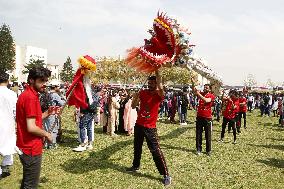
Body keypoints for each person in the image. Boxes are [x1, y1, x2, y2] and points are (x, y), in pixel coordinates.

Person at [127, 71, 171, 186]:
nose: (150, 84)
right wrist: (135, 98)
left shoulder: (158, 94)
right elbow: (133, 106)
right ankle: (135, 166)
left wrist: (157, 72)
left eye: (153, 83)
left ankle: (166, 174)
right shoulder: (142, 92)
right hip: (139, 125)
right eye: (149, 82)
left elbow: (161, 89)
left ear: (156, 84)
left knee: (156, 151)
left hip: (150, 128)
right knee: (137, 147)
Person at [16, 67, 53, 189]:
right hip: (30, 147)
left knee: (27, 182)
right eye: (41, 81)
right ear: (31, 80)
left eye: (46, 81)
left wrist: (47, 113)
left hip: (27, 146)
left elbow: (33, 120)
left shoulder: (29, 94)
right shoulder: (30, 97)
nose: (44, 84)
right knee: (30, 185)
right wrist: (46, 134)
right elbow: (31, 127)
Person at [0, 72, 17, 180]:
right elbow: (15, 111)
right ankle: (6, 165)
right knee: (7, 142)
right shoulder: (11, 94)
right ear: (8, 81)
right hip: (7, 122)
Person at [192, 84, 215, 156]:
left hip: (207, 118)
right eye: (204, 87)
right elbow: (194, 90)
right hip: (199, 117)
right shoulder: (201, 93)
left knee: (207, 135)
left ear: (210, 89)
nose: (205, 88)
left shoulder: (211, 96)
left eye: (207, 88)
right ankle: (198, 149)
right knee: (198, 134)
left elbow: (206, 100)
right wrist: (193, 83)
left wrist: (198, 93)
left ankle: (208, 150)